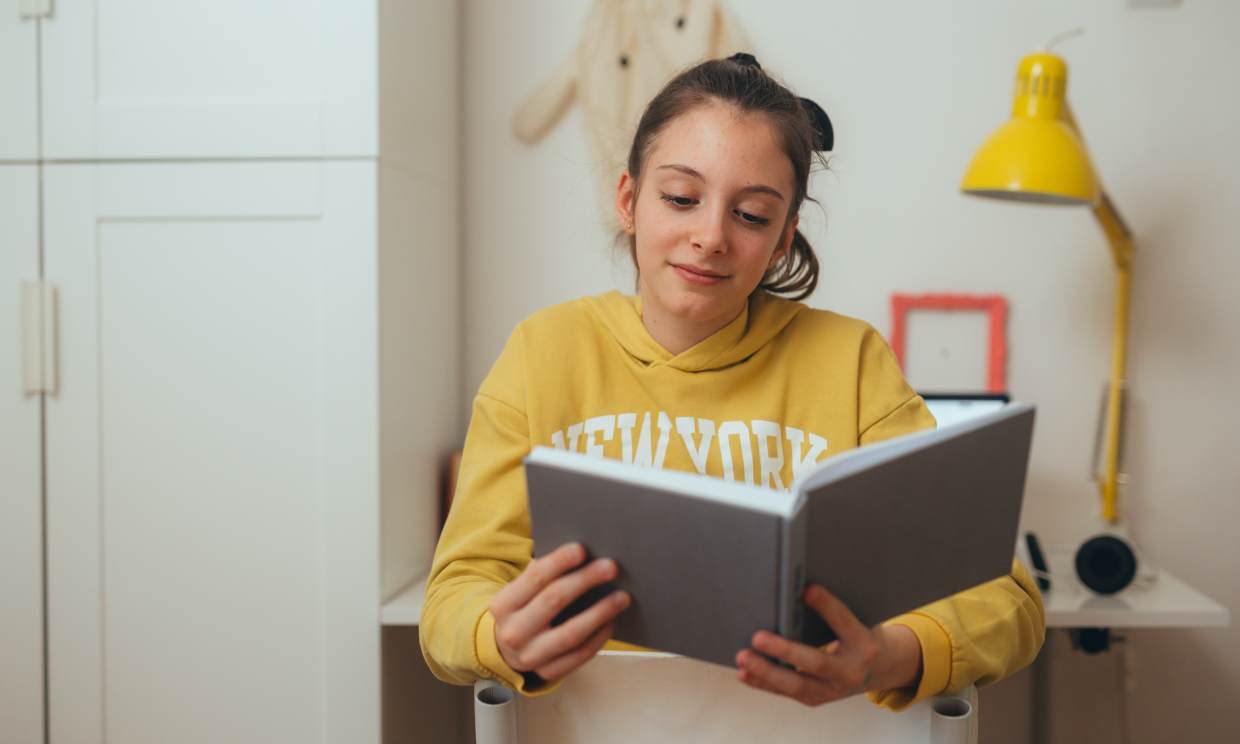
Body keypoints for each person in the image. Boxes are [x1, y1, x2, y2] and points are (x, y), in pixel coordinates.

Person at [419, 54, 1045, 711]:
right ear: (630, 201)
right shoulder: (542, 352)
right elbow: (453, 599)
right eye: (682, 198)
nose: (711, 236)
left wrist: (887, 658)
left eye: (750, 215)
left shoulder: (850, 360)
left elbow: (1007, 598)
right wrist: (499, 636)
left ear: (782, 241)